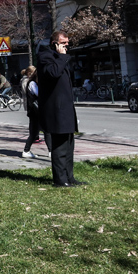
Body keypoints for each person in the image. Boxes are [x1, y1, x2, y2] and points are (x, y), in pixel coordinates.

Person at [37, 31, 86, 188]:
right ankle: (60, 179)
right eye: (63, 43)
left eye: (67, 43)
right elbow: (53, 73)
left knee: (69, 144)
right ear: (54, 44)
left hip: (65, 108)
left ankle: (69, 176)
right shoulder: (46, 56)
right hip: (56, 110)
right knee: (59, 146)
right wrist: (61, 56)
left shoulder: (59, 58)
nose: (66, 46)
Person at [22, 66, 41, 159]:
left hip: (36, 111)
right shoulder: (32, 83)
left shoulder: (33, 83)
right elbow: (38, 94)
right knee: (34, 132)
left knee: (37, 132)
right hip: (34, 111)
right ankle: (26, 150)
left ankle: (27, 150)